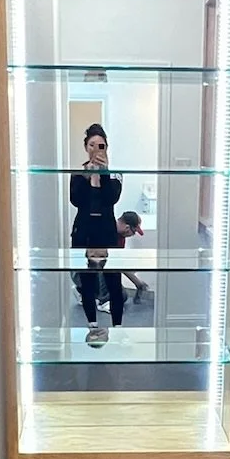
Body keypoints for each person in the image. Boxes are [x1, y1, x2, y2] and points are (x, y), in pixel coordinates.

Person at [69, 123, 125, 347]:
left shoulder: (113, 174)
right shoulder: (78, 174)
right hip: (84, 232)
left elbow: (111, 199)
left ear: (106, 147)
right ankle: (93, 326)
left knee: (114, 281)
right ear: (85, 147)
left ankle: (118, 328)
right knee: (87, 283)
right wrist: (89, 178)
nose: (95, 149)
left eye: (99, 145)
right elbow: (76, 201)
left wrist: (103, 175)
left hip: (106, 233)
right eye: (91, 145)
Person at [116, 211, 150, 302]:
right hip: (89, 270)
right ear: (127, 227)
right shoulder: (108, 232)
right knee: (115, 297)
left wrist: (137, 282)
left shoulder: (121, 238)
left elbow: (117, 263)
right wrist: (137, 282)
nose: (133, 235)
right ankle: (82, 289)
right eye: (134, 231)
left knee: (122, 296)